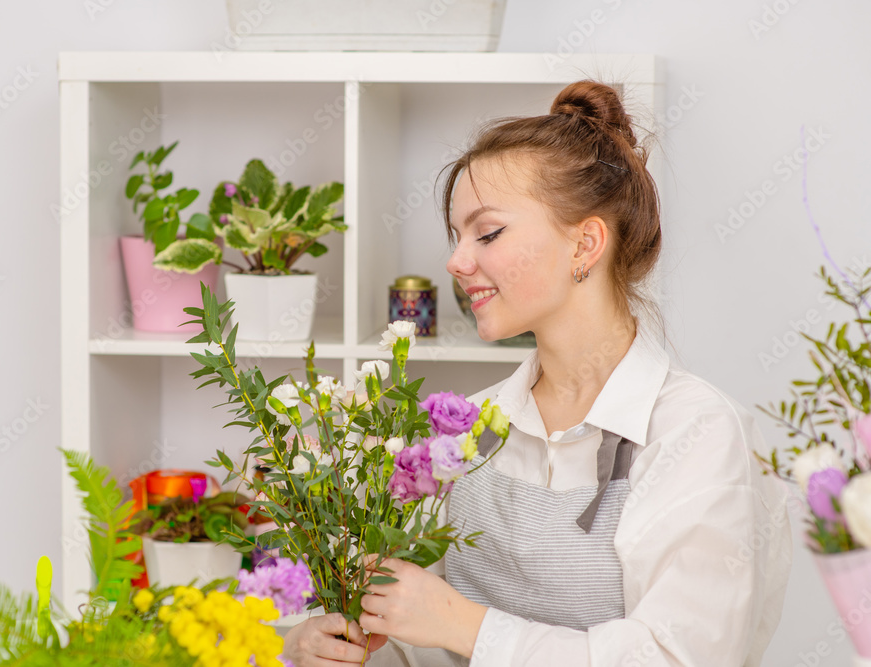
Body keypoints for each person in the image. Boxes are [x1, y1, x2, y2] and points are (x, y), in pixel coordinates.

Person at [283, 79, 792, 667]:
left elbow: (680, 657)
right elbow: (423, 637)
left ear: (585, 244)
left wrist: (462, 623)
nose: (456, 261)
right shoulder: (470, 428)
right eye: (456, 236)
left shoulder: (695, 434)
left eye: (488, 232)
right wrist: (336, 646)